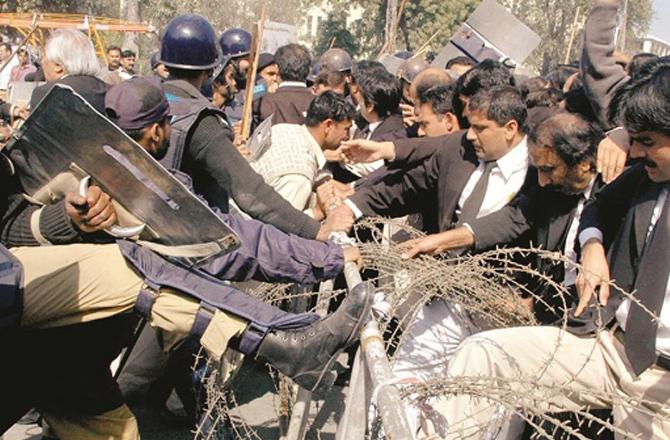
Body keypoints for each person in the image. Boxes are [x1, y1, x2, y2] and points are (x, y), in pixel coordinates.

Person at [0, 76, 371, 439]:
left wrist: (325, 255)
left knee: (115, 428)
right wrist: (60, 220)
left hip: (70, 363)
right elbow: (234, 234)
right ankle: (284, 346)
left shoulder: (128, 184)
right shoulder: (68, 176)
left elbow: (222, 238)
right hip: (32, 339)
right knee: (133, 273)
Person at [421, 58, 670, 440]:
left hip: (661, 385)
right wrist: (592, 247)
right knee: (485, 354)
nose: (636, 151)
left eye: (647, 142)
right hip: (611, 349)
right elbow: (592, 212)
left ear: (584, 166)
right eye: (633, 140)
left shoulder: (621, 171)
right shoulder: (643, 179)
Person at [157, 15, 350, 241]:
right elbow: (250, 191)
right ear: (211, 69)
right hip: (188, 239)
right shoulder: (203, 123)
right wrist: (315, 229)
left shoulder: (149, 99)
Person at [251, 91, 355, 210]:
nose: (347, 136)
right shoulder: (298, 177)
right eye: (346, 129)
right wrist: (318, 212)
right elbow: (282, 223)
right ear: (329, 126)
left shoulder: (281, 129)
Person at [30, 29, 108, 113]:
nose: (42, 62)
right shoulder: (112, 92)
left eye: (44, 57)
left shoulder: (47, 93)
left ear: (58, 65)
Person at [254, 43, 314, 126]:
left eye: (273, 73)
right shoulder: (319, 103)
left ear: (277, 69)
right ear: (308, 70)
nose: (274, 79)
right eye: (270, 74)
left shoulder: (264, 102)